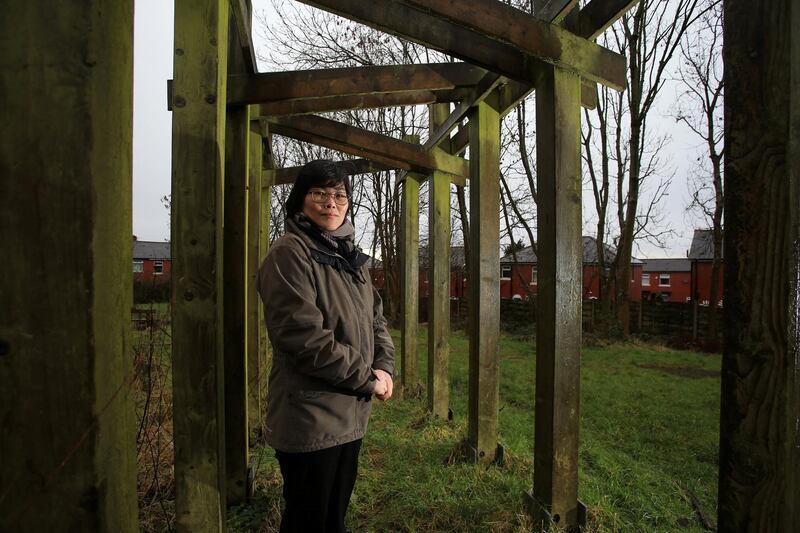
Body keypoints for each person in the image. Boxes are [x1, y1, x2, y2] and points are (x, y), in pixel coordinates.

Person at [257, 159, 395, 533]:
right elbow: (304, 338)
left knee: (334, 516)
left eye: (340, 194)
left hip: (350, 414)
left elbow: (376, 321)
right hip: (310, 417)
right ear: (300, 200)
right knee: (308, 520)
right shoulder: (289, 254)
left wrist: (384, 366)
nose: (331, 202)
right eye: (319, 193)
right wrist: (366, 378)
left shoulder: (350, 259)